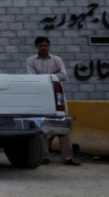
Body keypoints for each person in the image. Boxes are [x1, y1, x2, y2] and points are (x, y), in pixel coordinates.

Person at [27, 36, 81, 166]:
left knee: (63, 126)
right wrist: (52, 77)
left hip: (58, 97)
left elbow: (63, 76)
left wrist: (43, 78)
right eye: (41, 46)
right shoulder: (31, 60)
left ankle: (68, 157)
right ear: (36, 47)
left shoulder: (57, 60)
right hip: (42, 98)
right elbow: (32, 79)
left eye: (46, 45)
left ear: (49, 46)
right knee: (43, 126)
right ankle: (45, 156)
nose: (43, 48)